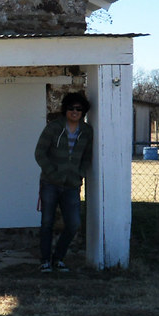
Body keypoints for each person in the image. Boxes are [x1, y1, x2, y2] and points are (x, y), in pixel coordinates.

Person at [33, 92, 93, 273]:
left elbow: (87, 157)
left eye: (78, 109)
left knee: (73, 223)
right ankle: (45, 261)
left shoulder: (87, 131)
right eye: (71, 108)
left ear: (83, 112)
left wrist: (79, 175)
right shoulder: (53, 128)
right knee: (47, 223)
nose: (74, 112)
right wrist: (52, 173)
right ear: (65, 109)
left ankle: (58, 258)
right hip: (50, 184)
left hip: (72, 186)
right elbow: (40, 153)